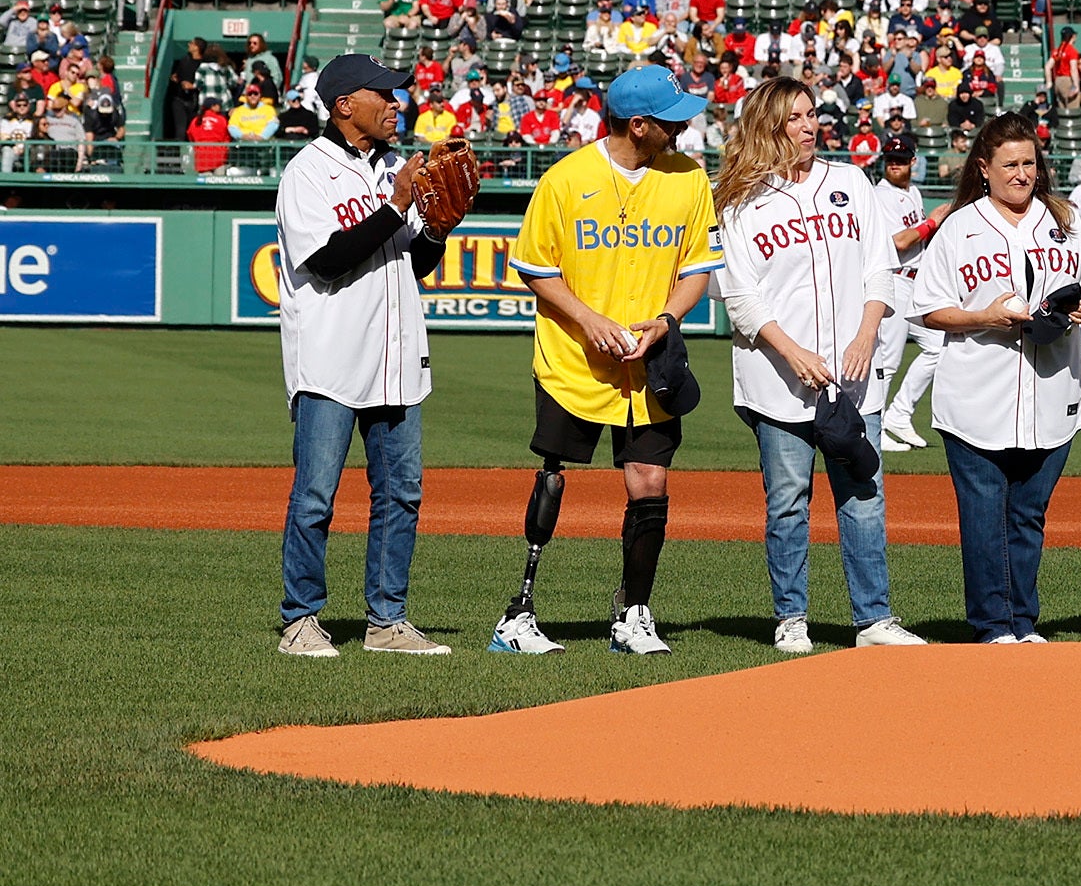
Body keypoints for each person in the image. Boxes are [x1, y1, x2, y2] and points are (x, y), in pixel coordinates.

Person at [502, 64, 723, 656]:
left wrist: (667, 322)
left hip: (650, 361)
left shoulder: (689, 180)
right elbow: (535, 268)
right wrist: (590, 321)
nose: (684, 127)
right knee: (554, 472)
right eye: (672, 119)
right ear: (640, 125)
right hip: (576, 358)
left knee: (649, 481)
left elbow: (698, 269)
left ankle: (634, 614)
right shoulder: (566, 179)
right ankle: (518, 614)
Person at [713, 77, 925, 654]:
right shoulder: (740, 200)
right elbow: (741, 298)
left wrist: (867, 332)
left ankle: (873, 620)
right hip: (778, 376)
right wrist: (793, 351)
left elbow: (881, 267)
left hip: (856, 375)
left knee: (864, 495)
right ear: (768, 127)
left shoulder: (851, 182)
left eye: (811, 116)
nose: (809, 127)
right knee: (787, 500)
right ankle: (791, 617)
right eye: (794, 118)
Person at [270, 55, 460, 658]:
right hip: (330, 360)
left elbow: (412, 262)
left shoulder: (388, 171)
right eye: (386, 94)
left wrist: (439, 226)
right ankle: (301, 619)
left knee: (401, 493)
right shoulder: (307, 172)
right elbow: (327, 261)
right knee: (316, 496)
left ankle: (387, 622)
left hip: (397, 360)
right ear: (346, 104)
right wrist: (398, 201)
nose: (398, 103)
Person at [914, 115, 1081, 643]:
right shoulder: (960, 225)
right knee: (983, 522)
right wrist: (984, 317)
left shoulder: (1063, 220)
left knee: (1027, 518)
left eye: (1029, 163)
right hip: (977, 394)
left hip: (1052, 390)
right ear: (984, 168)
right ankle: (993, 625)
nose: (1022, 174)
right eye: (1010, 164)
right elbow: (929, 309)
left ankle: (1023, 622)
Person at [871, 135, 945, 449]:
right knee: (888, 359)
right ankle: (873, 429)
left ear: (913, 162)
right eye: (890, 160)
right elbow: (899, 242)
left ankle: (899, 414)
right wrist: (933, 221)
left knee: (938, 348)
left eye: (901, 160)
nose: (895, 165)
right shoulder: (880, 195)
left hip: (916, 282)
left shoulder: (912, 191)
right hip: (894, 278)